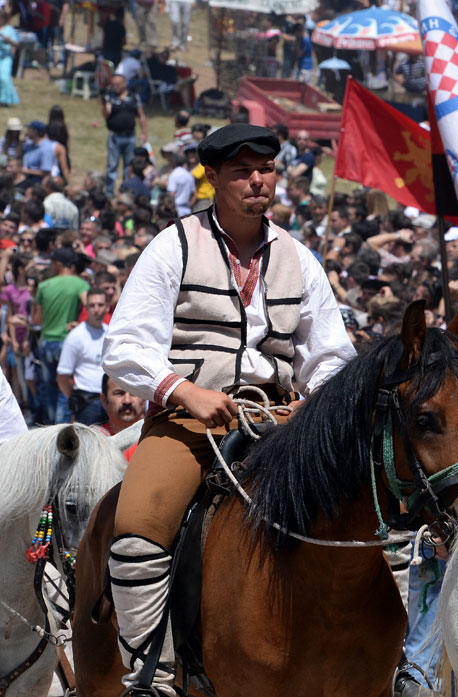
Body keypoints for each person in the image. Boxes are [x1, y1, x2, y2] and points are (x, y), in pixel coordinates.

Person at [101, 124, 355, 697]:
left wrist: (316, 403)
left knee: (372, 516)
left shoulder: (300, 258)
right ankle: (151, 676)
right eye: (242, 171)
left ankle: (388, 663)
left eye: (265, 169)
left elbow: (331, 356)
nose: (257, 180)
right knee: (138, 531)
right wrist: (182, 390)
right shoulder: (174, 245)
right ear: (212, 177)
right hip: (188, 422)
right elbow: (125, 344)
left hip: (282, 421)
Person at [32, 247, 89, 425]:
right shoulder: (80, 284)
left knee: (49, 388)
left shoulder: (44, 286)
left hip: (47, 342)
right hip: (67, 341)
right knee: (65, 387)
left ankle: (50, 425)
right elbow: (89, 308)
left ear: (58, 264)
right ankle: (62, 425)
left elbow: (37, 320)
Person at [56, 287, 109, 425]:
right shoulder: (75, 337)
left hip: (109, 400)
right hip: (86, 402)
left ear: (107, 307)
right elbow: (62, 376)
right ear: (86, 308)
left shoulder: (110, 333)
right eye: (92, 305)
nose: (96, 309)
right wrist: (76, 398)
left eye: (100, 305)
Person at [103, 73, 148, 196]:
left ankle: (125, 191)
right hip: (115, 137)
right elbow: (106, 114)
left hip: (130, 137)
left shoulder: (133, 97)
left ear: (125, 84)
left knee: (129, 166)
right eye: (113, 84)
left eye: (118, 84)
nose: (115, 87)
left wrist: (144, 133)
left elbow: (141, 116)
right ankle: (109, 193)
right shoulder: (110, 97)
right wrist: (104, 104)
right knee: (112, 166)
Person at [97, 373, 147, 460]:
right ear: (104, 400)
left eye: (133, 393)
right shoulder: (96, 442)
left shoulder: (156, 437)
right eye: (119, 393)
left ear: (145, 398)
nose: (127, 401)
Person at [0, 12, 20, 107]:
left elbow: (16, 44)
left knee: (4, 77)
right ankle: (6, 99)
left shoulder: (9, 29)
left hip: (6, 57)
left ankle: (5, 99)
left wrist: (8, 41)